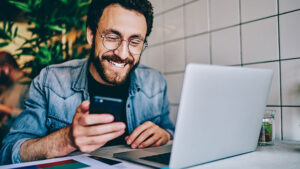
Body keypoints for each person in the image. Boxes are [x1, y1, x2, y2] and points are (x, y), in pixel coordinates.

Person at [0, 0, 175, 164]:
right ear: (91, 35)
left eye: (135, 41)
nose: (122, 54)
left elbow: (171, 131)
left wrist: (165, 135)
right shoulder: (50, 80)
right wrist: (66, 139)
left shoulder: (155, 83)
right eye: (112, 37)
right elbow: (8, 152)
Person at [0, 51, 30, 148]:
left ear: (6, 68)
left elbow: (30, 116)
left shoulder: (27, 85)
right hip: (4, 145)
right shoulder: (6, 87)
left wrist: (4, 108)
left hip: (20, 147)